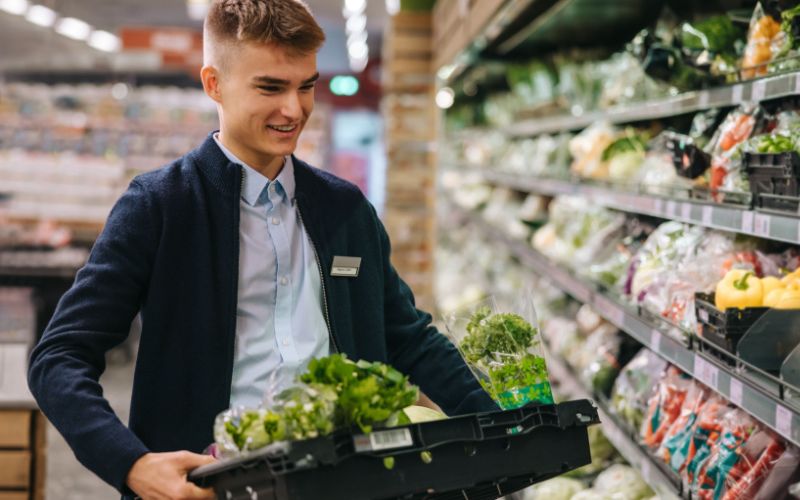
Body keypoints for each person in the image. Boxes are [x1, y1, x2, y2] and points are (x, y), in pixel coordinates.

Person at [27, 1, 497, 498]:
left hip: (345, 481)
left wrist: (508, 426)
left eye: (306, 85)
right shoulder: (161, 205)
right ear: (214, 84)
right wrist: (132, 464)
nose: (294, 109)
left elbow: (408, 339)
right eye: (270, 87)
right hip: (210, 486)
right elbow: (59, 356)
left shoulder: (345, 209)